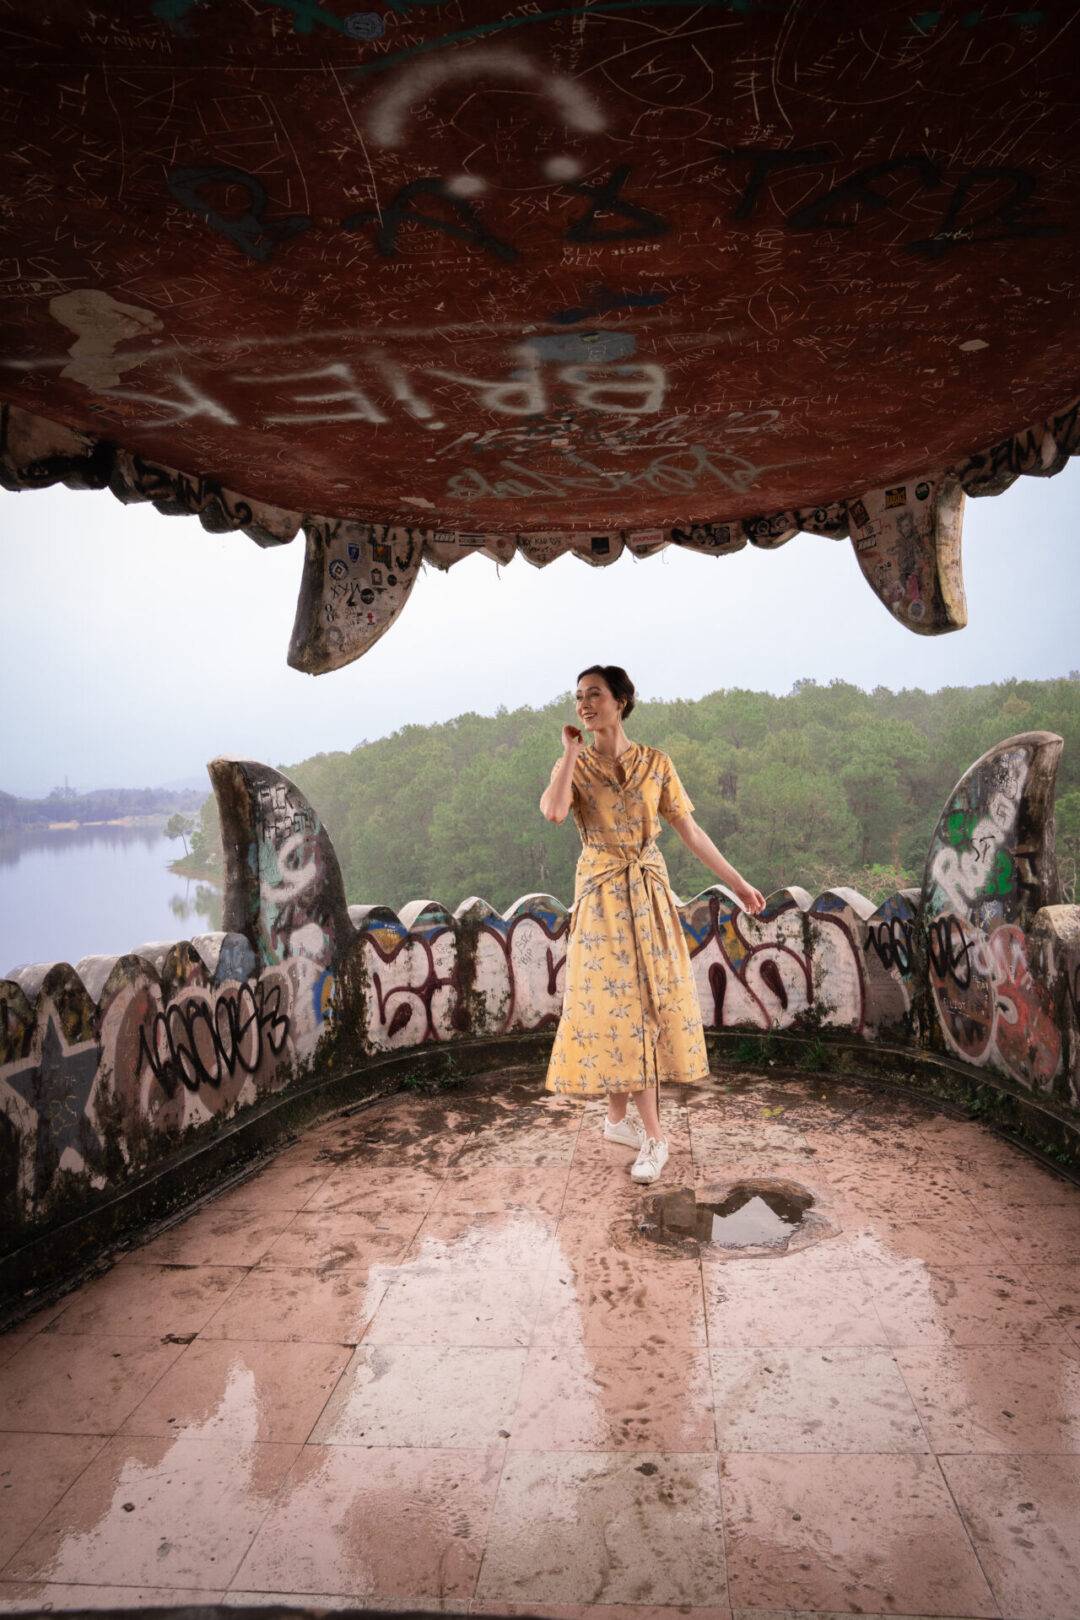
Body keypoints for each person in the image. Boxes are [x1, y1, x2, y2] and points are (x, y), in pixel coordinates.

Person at [540, 664, 765, 1184]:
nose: (584, 704)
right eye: (578, 697)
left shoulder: (657, 764)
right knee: (615, 1006)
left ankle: (638, 1129)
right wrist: (571, 752)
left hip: (648, 893)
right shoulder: (573, 764)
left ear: (621, 700)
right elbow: (554, 813)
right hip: (599, 898)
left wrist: (737, 881)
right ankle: (637, 1129)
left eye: (594, 695)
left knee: (644, 1004)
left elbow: (689, 829)